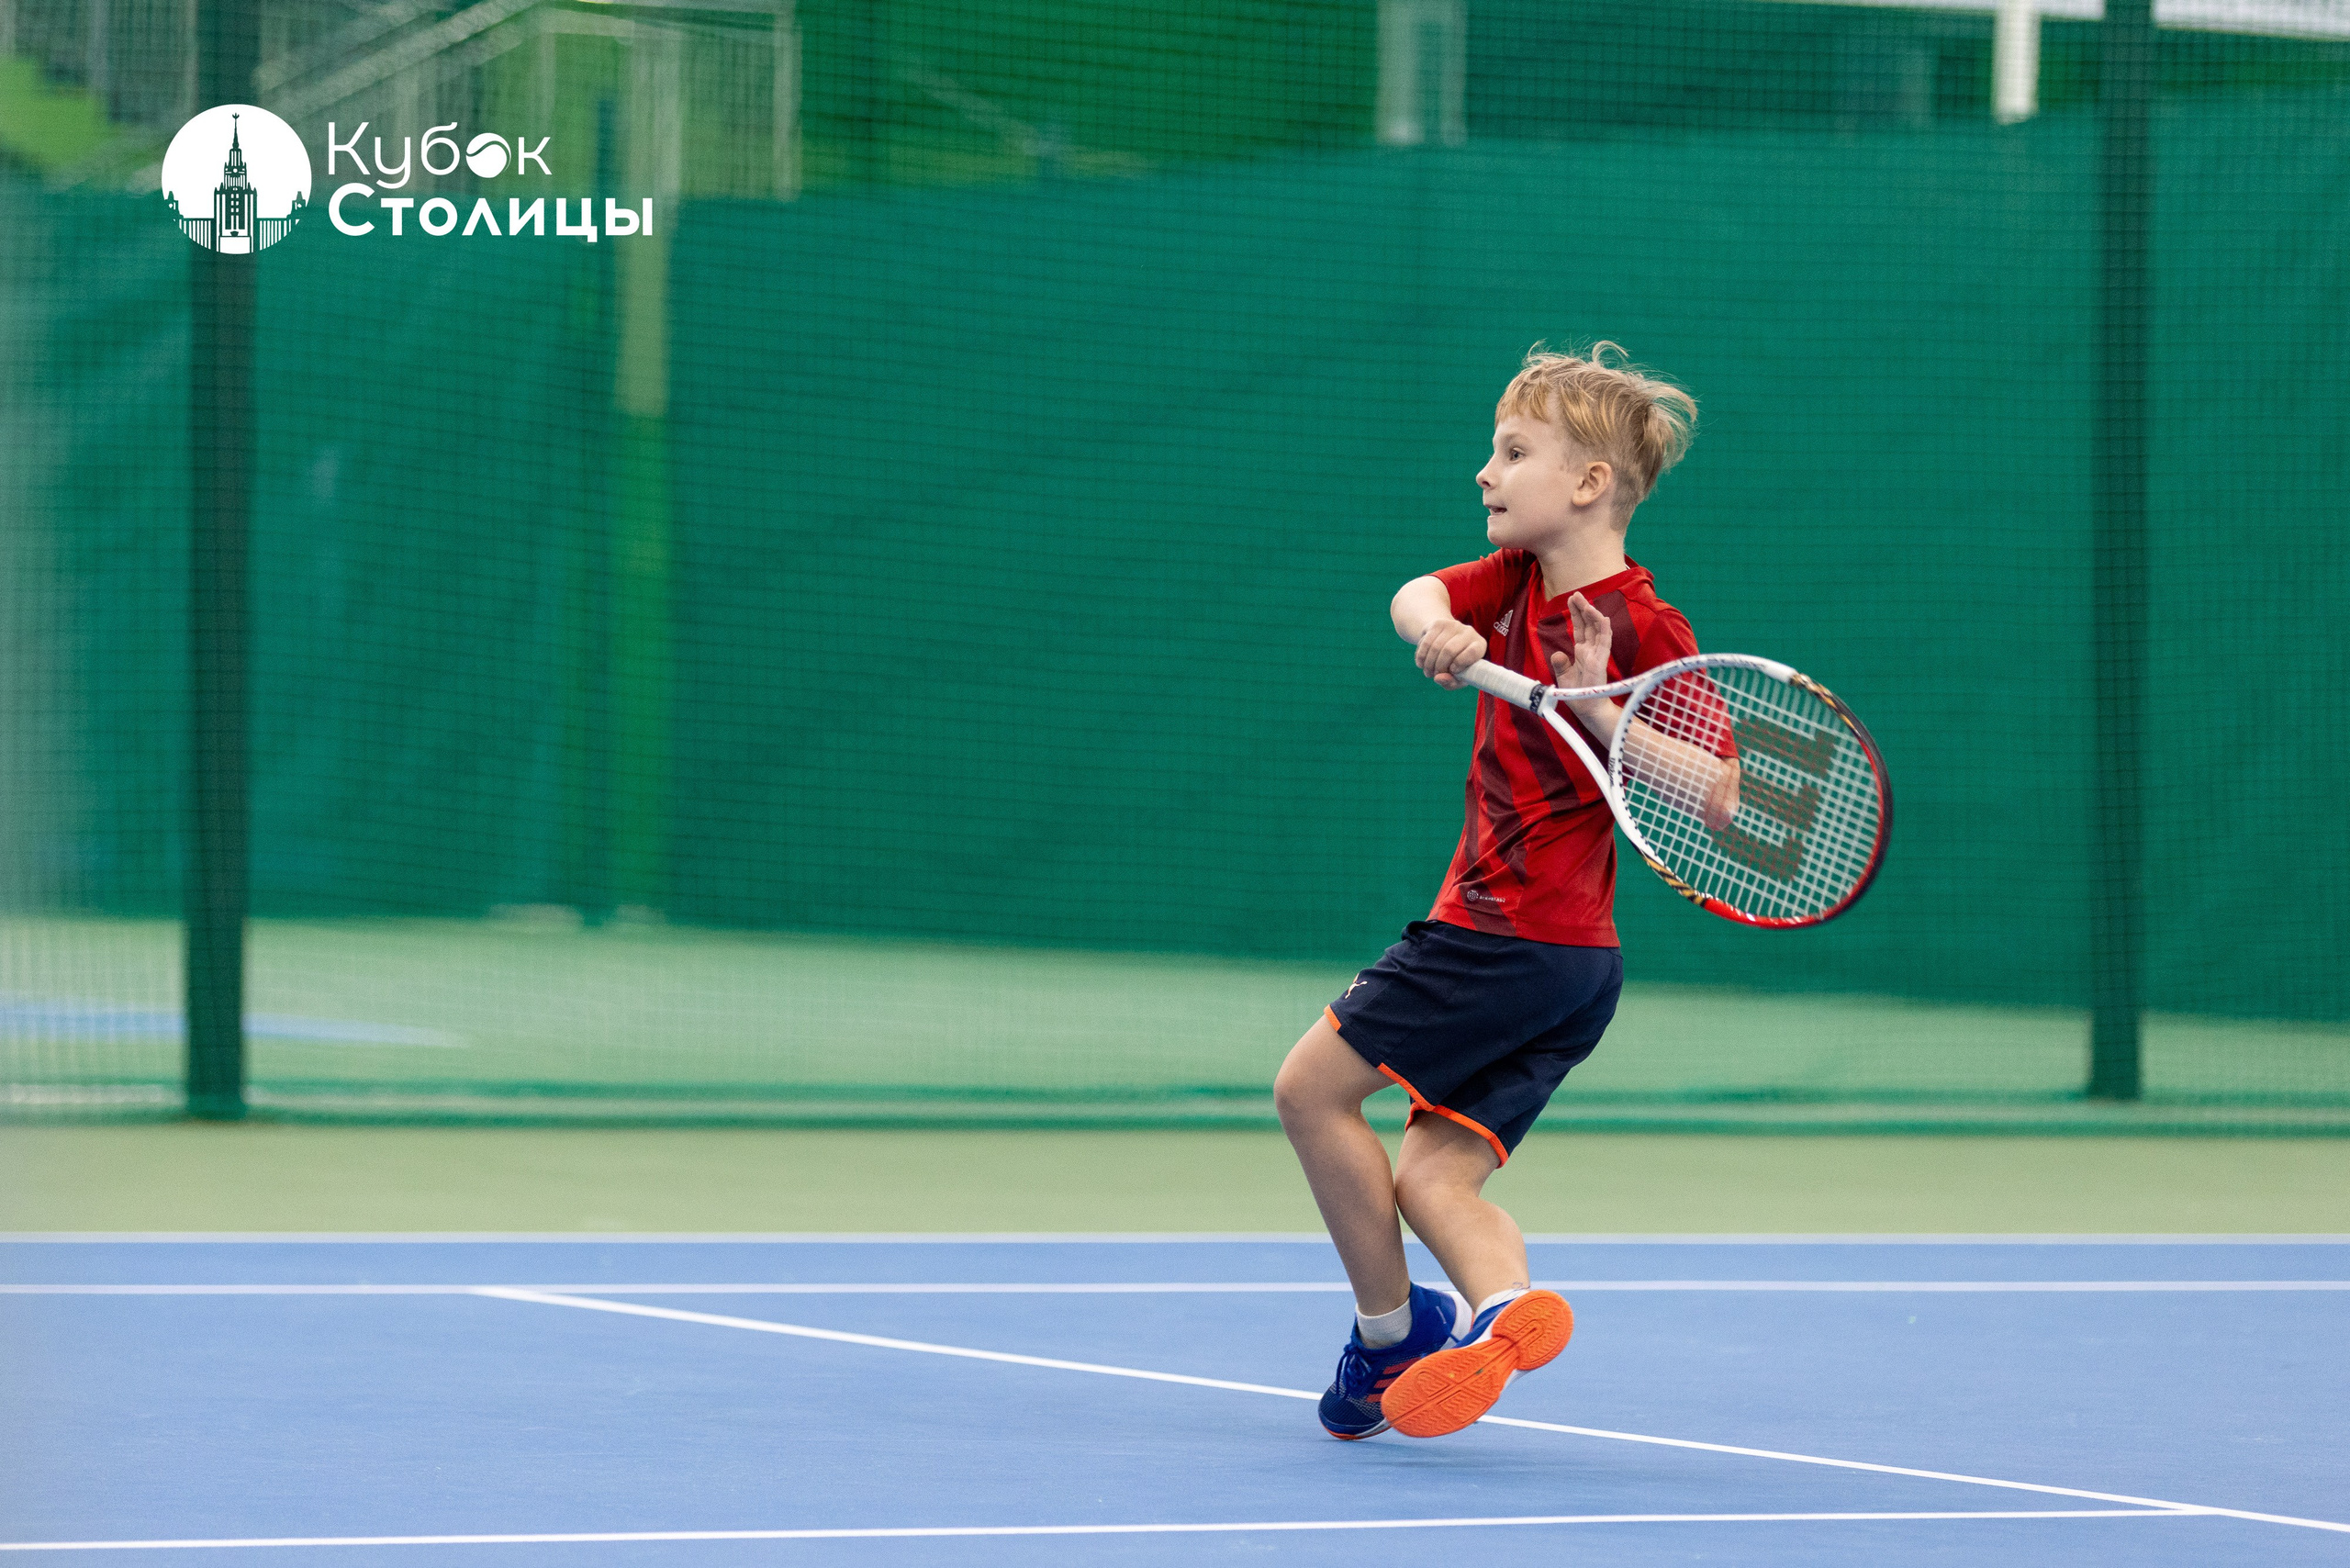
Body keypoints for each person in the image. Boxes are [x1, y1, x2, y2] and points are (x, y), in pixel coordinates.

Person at [1273, 342, 1705, 1440]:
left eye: (1512, 452)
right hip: (1575, 972)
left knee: (1309, 1091)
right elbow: (1409, 596)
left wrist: (1602, 711)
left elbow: (1720, 796)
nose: (1484, 472)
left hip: (1503, 940)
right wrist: (1443, 634)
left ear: (1588, 484)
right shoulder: (1505, 586)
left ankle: (1387, 1339)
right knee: (1433, 1180)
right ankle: (1505, 1306)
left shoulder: (1646, 631)